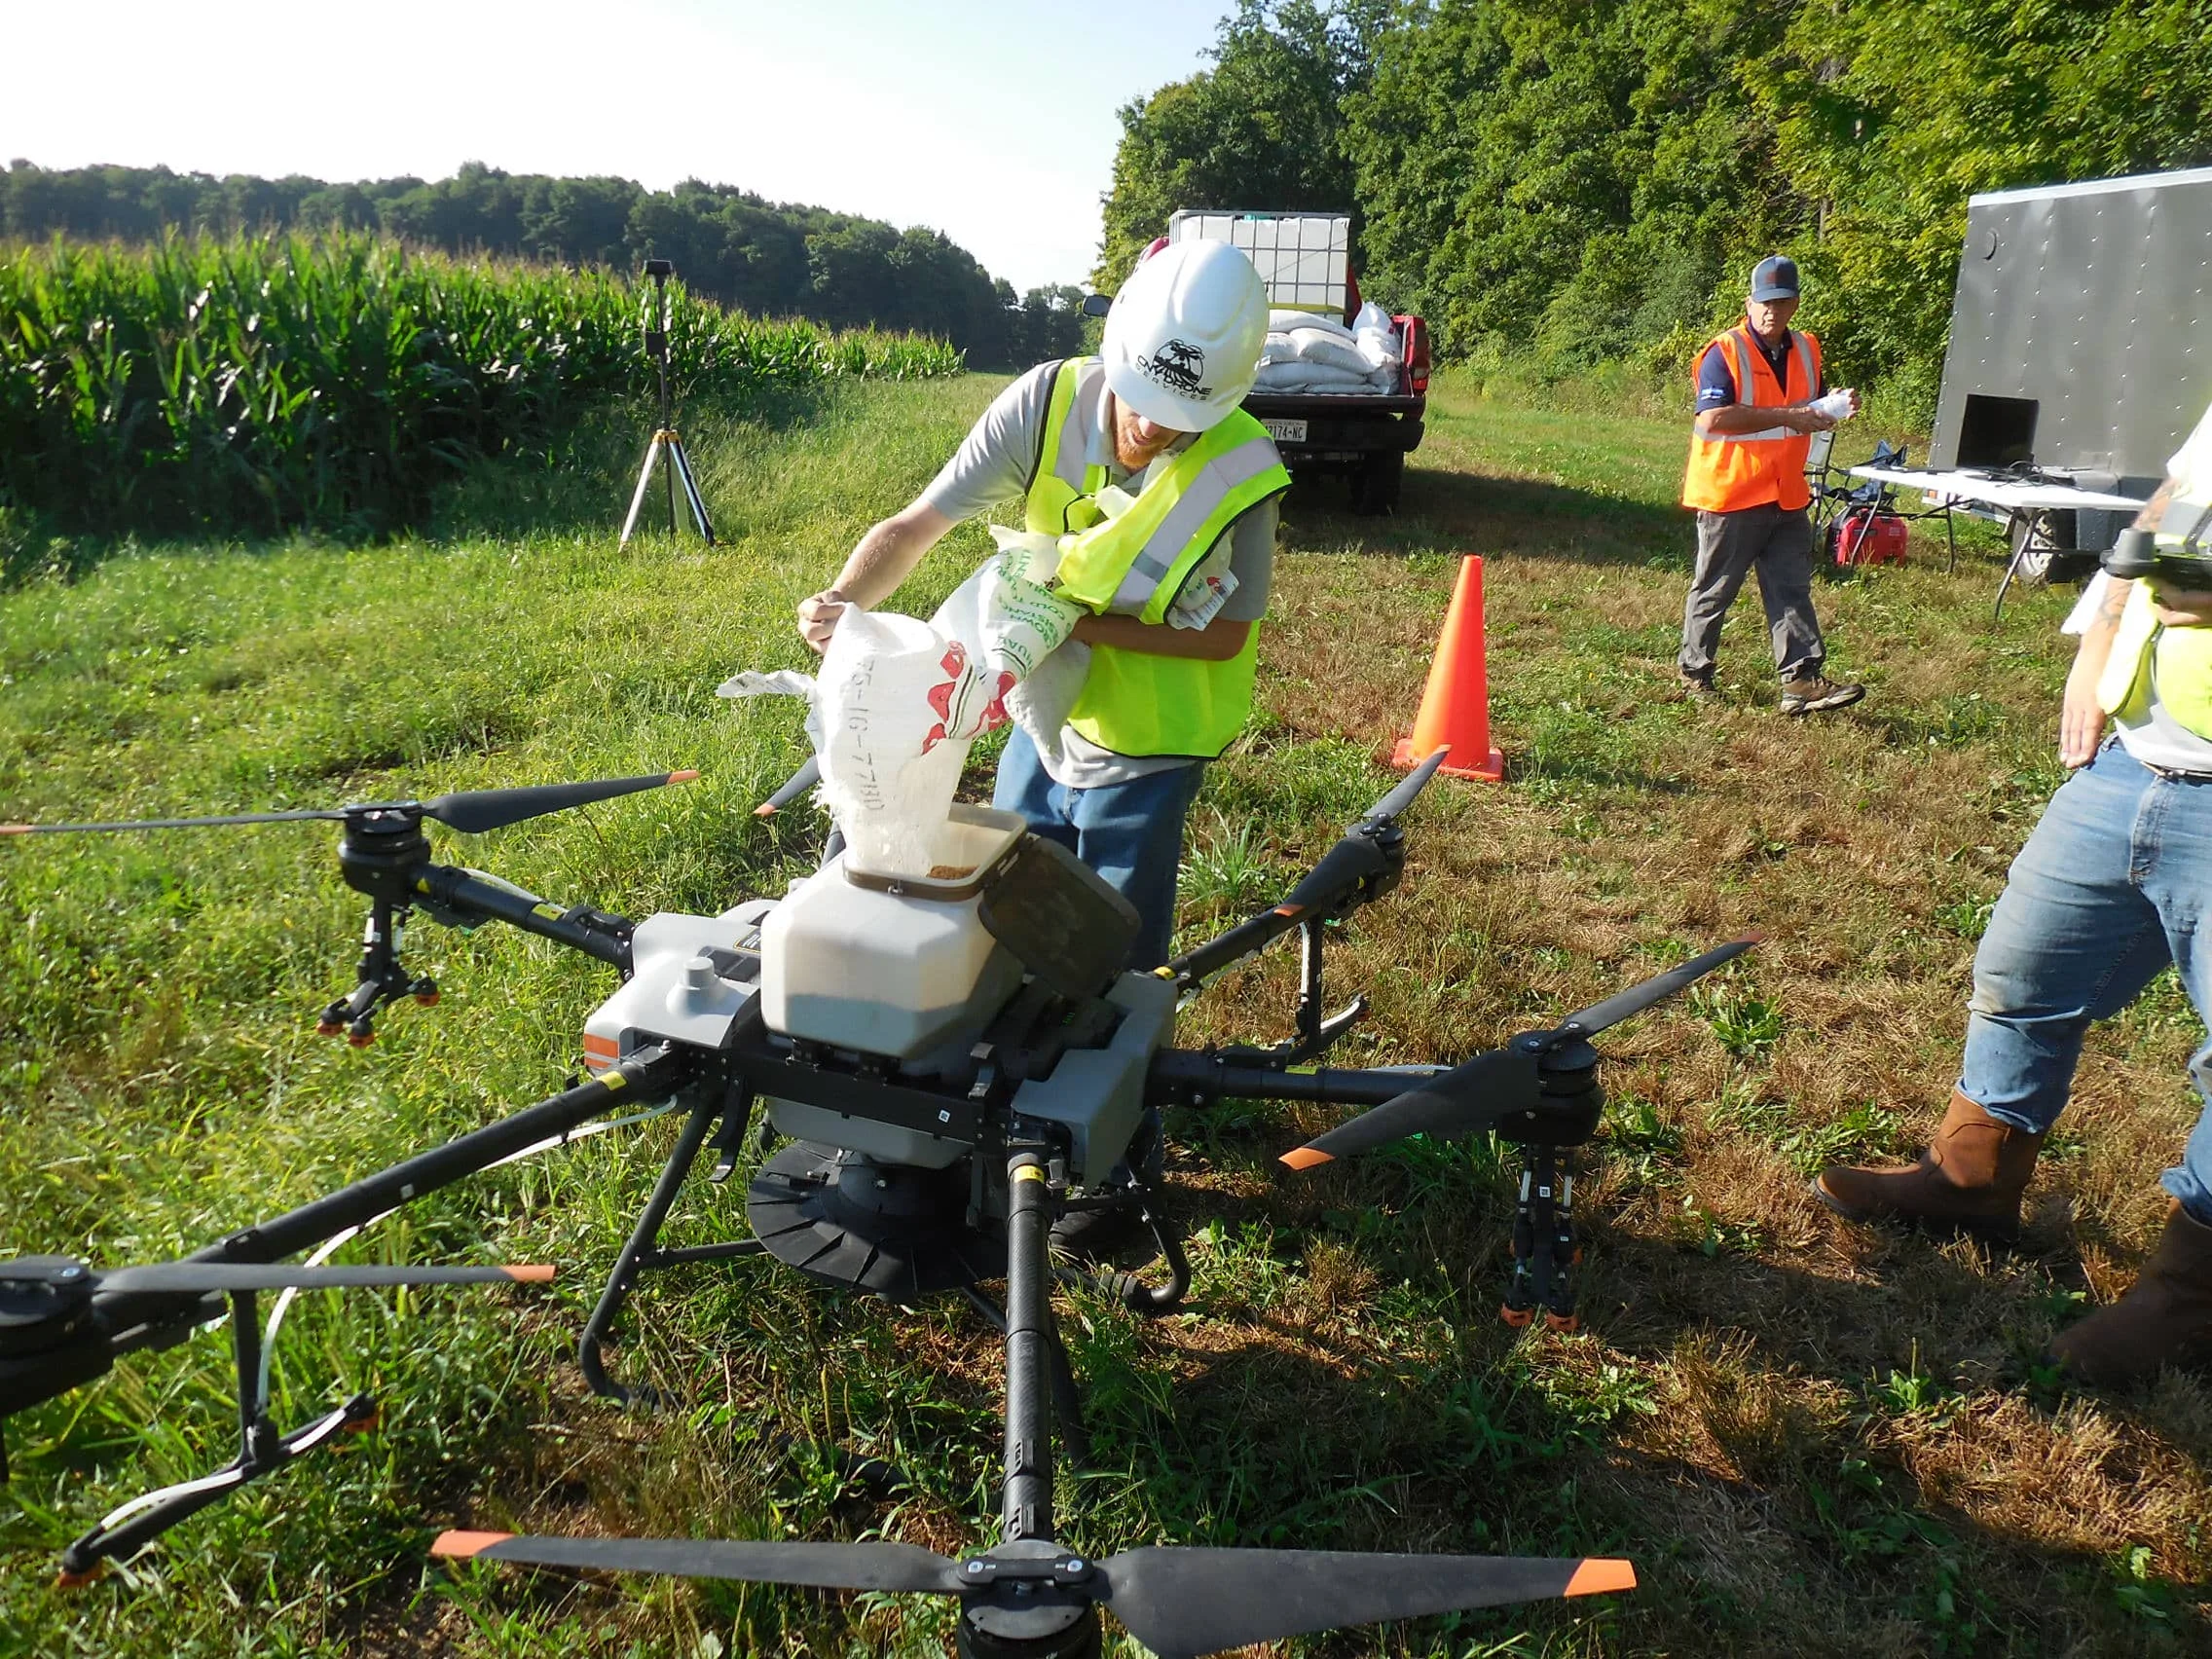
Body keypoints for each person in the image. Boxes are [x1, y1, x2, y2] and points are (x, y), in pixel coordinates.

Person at [1815, 395, 2212, 1385]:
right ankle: (1971, 1181)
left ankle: (2190, 1298)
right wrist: (2096, 643)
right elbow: (2169, 500)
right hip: (2131, 763)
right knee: (2023, 973)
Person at [794, 238, 1288, 971]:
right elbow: (915, 527)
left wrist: (1076, 624)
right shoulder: (1045, 404)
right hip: (1045, 710)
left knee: (1113, 946)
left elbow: (1225, 637)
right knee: (1007, 913)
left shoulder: (1242, 471)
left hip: (1153, 742)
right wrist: (841, 601)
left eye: (1181, 416)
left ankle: (1114, 1037)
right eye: (1142, 401)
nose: (1152, 428)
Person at [1678, 255, 1865, 716]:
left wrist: (1834, 405)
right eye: (1764, 302)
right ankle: (1695, 674)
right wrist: (1789, 416)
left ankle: (1801, 682)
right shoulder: (1724, 351)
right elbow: (1713, 418)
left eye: (1781, 302)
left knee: (1791, 589)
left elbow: (1809, 407)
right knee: (1715, 589)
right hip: (1731, 493)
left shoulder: (1807, 349)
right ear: (1749, 303)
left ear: (1794, 304)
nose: (1772, 311)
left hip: (1786, 493)